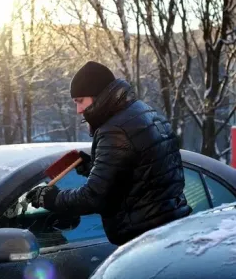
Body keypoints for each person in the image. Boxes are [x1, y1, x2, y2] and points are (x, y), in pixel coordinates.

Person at [26, 61, 192, 246]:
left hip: (144, 241)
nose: (78, 110)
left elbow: (93, 198)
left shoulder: (115, 130)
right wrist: (93, 166)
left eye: (80, 101)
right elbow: (140, 177)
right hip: (168, 231)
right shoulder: (143, 113)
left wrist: (50, 198)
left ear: (99, 95)